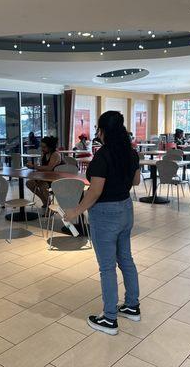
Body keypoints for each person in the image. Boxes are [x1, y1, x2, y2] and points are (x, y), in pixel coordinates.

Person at [65, 111, 141, 336]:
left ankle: (109, 318)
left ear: (104, 130)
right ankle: (132, 306)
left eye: (99, 129)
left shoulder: (103, 156)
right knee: (126, 259)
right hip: (126, 209)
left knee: (107, 267)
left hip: (105, 214)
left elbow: (95, 191)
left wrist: (75, 212)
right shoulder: (131, 153)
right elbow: (135, 180)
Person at [26, 136, 62, 209]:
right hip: (47, 177)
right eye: (41, 147)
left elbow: (49, 168)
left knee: (42, 185)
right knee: (29, 183)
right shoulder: (45, 154)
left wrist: (33, 166)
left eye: (44, 147)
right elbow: (43, 168)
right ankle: (45, 201)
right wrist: (36, 168)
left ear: (50, 147)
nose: (42, 149)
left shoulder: (55, 154)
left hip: (57, 179)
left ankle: (50, 207)